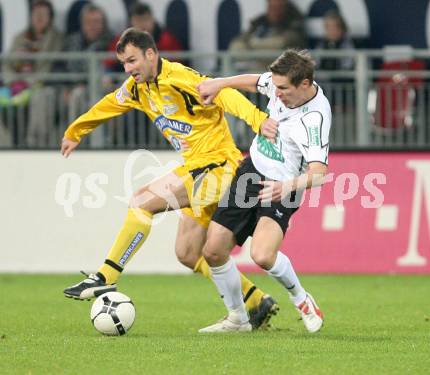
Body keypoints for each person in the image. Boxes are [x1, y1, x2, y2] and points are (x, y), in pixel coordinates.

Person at [61, 28, 279, 329]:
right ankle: (256, 302)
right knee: (188, 253)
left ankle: (105, 276)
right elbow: (110, 104)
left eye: (133, 60)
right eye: (124, 63)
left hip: (218, 165)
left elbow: (225, 93)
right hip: (198, 169)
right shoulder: (137, 89)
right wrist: (76, 131)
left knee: (141, 201)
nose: (128, 69)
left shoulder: (180, 78)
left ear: (152, 54)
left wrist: (258, 119)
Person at [195, 49, 330, 333]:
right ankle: (237, 318)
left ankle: (301, 299)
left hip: (285, 185)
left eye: (283, 88)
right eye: (275, 86)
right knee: (213, 250)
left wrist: (287, 186)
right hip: (252, 171)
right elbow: (255, 81)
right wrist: (219, 83)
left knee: (263, 256)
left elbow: (319, 174)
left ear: (304, 85)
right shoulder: (281, 83)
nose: (276, 93)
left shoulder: (314, 119)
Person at [2, 0, 64, 147]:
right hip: (15, 87)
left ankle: (33, 146)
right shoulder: (20, 38)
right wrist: (12, 81)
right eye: (36, 14)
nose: (39, 18)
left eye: (43, 15)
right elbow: (7, 64)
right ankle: (5, 148)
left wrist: (29, 83)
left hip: (39, 86)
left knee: (40, 98)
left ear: (50, 18)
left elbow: (51, 65)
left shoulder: (57, 39)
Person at [229, 0, 306, 70]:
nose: (275, 12)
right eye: (271, 8)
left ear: (285, 8)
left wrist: (254, 45)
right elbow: (237, 44)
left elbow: (282, 43)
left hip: (282, 71)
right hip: (254, 69)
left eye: (278, 8)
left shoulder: (293, 24)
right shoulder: (259, 22)